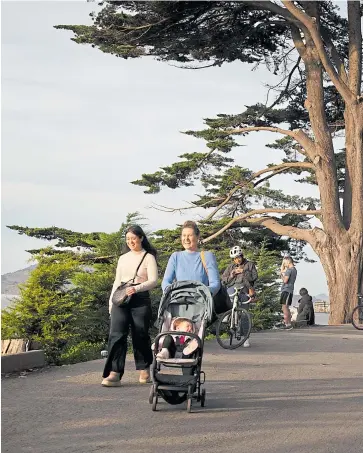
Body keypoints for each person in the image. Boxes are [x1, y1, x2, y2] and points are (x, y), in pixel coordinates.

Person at [101, 225, 158, 387]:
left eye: (133, 238)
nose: (131, 241)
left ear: (140, 238)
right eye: (128, 239)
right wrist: (111, 304)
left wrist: (136, 288)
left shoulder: (148, 257)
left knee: (140, 334)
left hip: (140, 298)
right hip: (121, 298)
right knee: (116, 334)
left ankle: (144, 369)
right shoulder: (123, 258)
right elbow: (117, 281)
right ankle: (115, 372)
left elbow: (153, 281)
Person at [162, 220, 220, 296]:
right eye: (184, 235)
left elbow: (215, 284)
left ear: (198, 236)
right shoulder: (175, 257)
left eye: (190, 235)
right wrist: (172, 293)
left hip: (202, 303)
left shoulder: (207, 256)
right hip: (180, 303)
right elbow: (166, 281)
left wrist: (203, 292)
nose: (186, 239)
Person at [221, 245, 258, 348]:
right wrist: (232, 275)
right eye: (234, 259)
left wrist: (244, 271)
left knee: (245, 314)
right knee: (228, 294)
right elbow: (223, 280)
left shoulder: (250, 265)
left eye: (238, 258)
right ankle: (228, 313)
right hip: (233, 288)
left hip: (244, 289)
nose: (237, 260)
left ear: (242, 256)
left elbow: (254, 277)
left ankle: (245, 337)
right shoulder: (231, 267)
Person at [280, 256, 297, 330]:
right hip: (290, 290)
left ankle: (287, 324)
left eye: (284, 263)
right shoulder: (294, 270)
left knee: (284, 308)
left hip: (286, 290)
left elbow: (285, 280)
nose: (284, 264)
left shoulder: (289, 270)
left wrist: (281, 275)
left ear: (288, 262)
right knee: (286, 307)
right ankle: (288, 323)